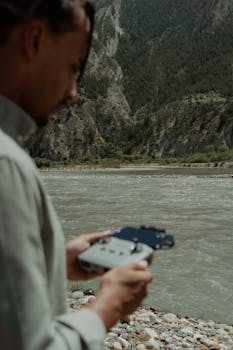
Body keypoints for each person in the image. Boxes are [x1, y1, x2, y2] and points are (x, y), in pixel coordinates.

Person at [0, 1, 153, 349]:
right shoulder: (6, 163)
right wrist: (108, 306)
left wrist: (51, 261)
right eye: (72, 67)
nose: (73, 92)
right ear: (35, 40)